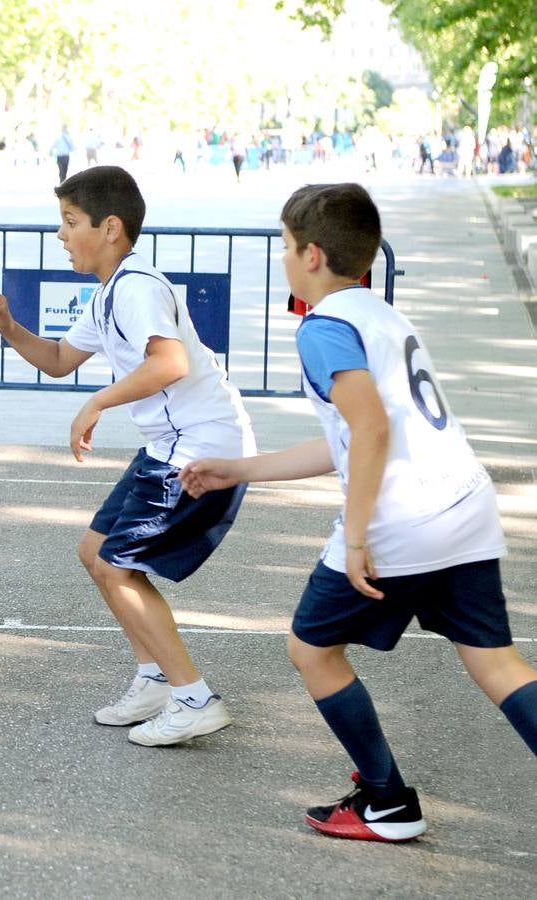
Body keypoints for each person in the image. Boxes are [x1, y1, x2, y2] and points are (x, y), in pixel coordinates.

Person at [180, 183, 537, 842]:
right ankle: (385, 797)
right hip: (464, 501)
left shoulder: (323, 329)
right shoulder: (382, 316)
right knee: (497, 665)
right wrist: (239, 469)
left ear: (311, 255)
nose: (283, 258)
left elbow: (369, 431)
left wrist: (357, 536)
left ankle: (387, 800)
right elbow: (349, 436)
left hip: (403, 517)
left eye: (286, 246)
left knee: (312, 648)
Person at [0, 166, 256, 745]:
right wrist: (7, 325)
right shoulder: (107, 293)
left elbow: (169, 362)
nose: (62, 235)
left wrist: (97, 403)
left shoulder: (138, 286)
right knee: (96, 552)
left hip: (198, 448)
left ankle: (194, 697)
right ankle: (154, 678)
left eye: (71, 223)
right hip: (170, 445)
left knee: (119, 566)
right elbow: (56, 359)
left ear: (111, 228)